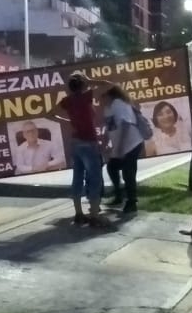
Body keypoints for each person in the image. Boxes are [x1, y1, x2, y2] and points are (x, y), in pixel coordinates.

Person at [57, 72, 106, 226]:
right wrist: (92, 80)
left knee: (77, 176)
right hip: (89, 142)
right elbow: (110, 84)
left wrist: (68, 121)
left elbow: (48, 113)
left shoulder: (67, 101)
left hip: (75, 142)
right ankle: (94, 215)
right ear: (83, 84)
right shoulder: (86, 97)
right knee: (94, 178)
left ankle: (79, 213)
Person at [102, 85, 145, 215]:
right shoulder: (108, 108)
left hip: (131, 143)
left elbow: (126, 125)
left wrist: (120, 147)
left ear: (109, 95)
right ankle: (119, 196)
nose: (101, 100)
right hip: (122, 146)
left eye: (103, 97)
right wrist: (108, 144)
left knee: (128, 173)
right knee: (112, 167)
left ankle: (132, 203)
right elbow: (111, 128)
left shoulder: (118, 104)